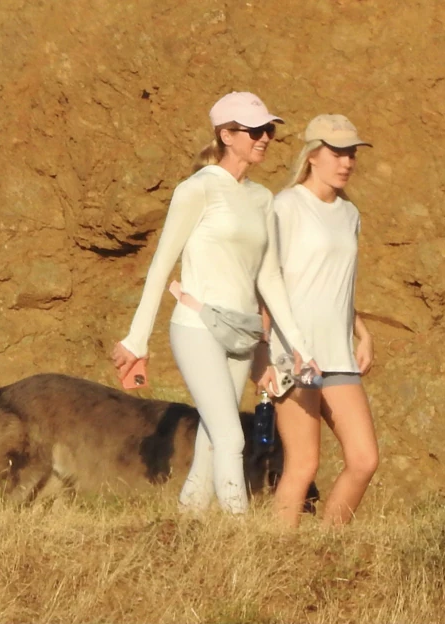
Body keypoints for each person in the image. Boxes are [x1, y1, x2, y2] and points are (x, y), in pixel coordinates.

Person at [111, 92, 317, 514]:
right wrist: (137, 339)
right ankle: (239, 540)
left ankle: (189, 527)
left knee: (211, 439)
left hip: (242, 330)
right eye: (255, 130)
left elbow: (269, 277)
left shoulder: (262, 199)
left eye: (269, 130)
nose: (265, 138)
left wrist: (298, 344)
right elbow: (160, 265)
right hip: (197, 327)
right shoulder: (198, 189)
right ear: (226, 134)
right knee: (230, 437)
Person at [257, 114, 379, 527]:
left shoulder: (350, 214)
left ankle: (330, 550)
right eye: (337, 153)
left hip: (339, 353)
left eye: (351, 154)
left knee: (364, 460)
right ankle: (278, 561)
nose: (346, 162)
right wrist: (265, 356)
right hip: (294, 353)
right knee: (303, 465)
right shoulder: (285, 206)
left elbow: (337, 286)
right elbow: (265, 283)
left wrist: (361, 332)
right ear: (312, 155)